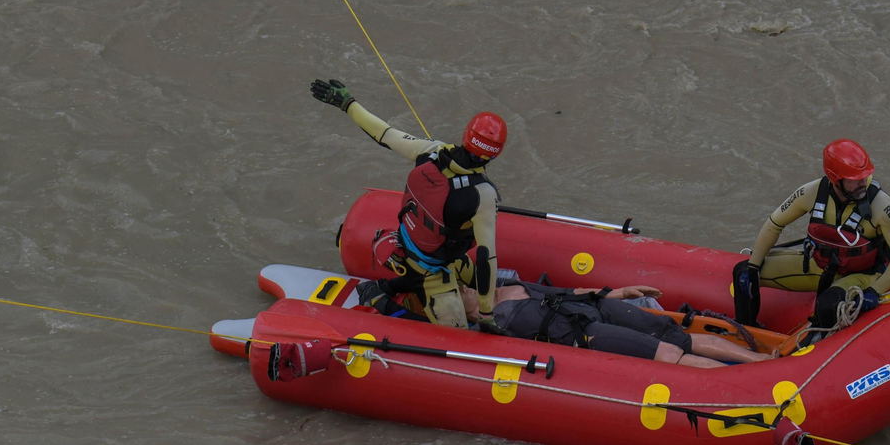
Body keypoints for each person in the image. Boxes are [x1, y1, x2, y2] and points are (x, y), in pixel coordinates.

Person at [311, 78, 503, 330]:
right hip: (433, 273)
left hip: (410, 249)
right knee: (459, 336)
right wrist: (486, 315)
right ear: (495, 154)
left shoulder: (432, 150)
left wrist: (348, 104)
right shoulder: (483, 194)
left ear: (467, 136)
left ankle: (390, 285)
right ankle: (379, 300)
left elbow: (385, 134)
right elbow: (487, 257)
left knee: (491, 284)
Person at [734, 138, 890, 332]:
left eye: (865, 176)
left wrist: (874, 291)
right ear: (835, 178)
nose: (862, 182)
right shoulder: (811, 193)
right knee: (742, 272)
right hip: (820, 266)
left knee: (829, 305)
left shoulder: (881, 205)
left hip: (863, 275)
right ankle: (746, 333)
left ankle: (822, 344)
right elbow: (774, 224)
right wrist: (753, 267)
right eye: (854, 179)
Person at [479, 280, 773, 368]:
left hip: (593, 308)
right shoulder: (493, 319)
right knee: (670, 353)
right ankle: (740, 381)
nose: (466, 290)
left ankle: (759, 361)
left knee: (677, 336)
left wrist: (619, 292)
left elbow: (567, 292)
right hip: (585, 333)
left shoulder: (511, 285)